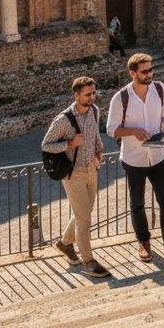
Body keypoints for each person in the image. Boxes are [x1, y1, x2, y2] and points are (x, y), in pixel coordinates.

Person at [107, 54, 164, 262]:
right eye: (144, 71)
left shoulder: (160, 89)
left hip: (158, 154)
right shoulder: (121, 97)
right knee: (137, 203)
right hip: (133, 158)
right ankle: (143, 243)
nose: (149, 74)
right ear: (132, 73)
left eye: (151, 70)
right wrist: (132, 131)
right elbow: (111, 129)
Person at [42, 76, 110, 277]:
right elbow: (46, 145)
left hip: (92, 168)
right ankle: (88, 261)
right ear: (76, 95)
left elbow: (94, 133)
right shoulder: (63, 120)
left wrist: (99, 149)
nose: (92, 97)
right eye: (88, 94)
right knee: (84, 219)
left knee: (85, 213)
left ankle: (65, 243)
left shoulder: (94, 110)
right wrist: (69, 144)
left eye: (94, 93)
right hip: (73, 174)